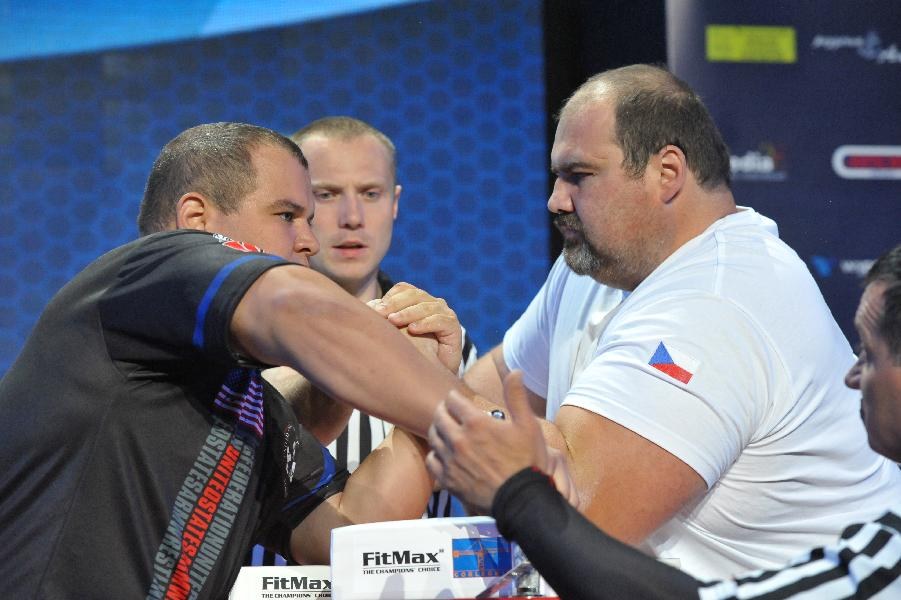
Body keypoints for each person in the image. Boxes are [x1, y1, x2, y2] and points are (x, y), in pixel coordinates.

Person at [454, 64, 901, 579]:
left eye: (579, 176)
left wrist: (414, 379)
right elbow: (487, 392)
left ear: (667, 173)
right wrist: (445, 385)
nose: (555, 200)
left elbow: (573, 524)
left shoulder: (720, 297)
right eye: (557, 176)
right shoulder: (593, 266)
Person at [0, 122, 469, 599]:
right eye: (288, 215)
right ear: (197, 219)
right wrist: (477, 418)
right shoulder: (143, 273)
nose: (309, 240)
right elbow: (284, 302)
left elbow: (350, 535)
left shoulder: (244, 404)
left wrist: (430, 387)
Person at [427, 244, 901, 599]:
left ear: (666, 171)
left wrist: (518, 492)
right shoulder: (581, 271)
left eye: (869, 354)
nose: (853, 375)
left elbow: (590, 507)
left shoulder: (723, 298)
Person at [247, 116, 477, 566]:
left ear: (394, 203)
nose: (351, 218)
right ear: (294, 208)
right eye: (325, 195)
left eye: (370, 194)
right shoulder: (239, 342)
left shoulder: (443, 338)